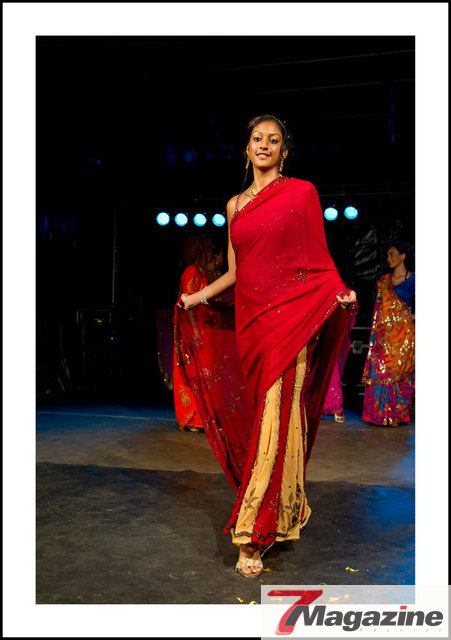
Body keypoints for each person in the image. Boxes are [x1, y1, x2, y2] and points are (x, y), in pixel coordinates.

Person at [177, 114, 357, 578]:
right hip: (252, 324)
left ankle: (253, 530)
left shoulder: (301, 193)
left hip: (290, 321)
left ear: (284, 151)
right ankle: (287, 506)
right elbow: (237, 272)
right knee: (272, 416)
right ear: (247, 148)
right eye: (257, 138)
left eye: (273, 140)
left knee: (277, 414)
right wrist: (198, 297)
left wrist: (337, 289)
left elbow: (316, 256)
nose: (264, 145)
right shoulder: (235, 206)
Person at [361, 243, 415, 427]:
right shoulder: (384, 281)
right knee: (381, 371)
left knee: (400, 374)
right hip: (384, 337)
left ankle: (396, 415)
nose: (389, 259)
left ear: (403, 256)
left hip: (404, 336)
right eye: (388, 256)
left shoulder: (414, 279)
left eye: (392, 255)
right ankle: (380, 415)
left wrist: (414, 315)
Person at [172, 235, 216, 432]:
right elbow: (189, 303)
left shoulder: (201, 271)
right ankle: (193, 419)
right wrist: (196, 334)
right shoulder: (191, 272)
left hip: (202, 329)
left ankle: (203, 418)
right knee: (192, 373)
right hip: (191, 331)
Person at [322, 302, 359, 422]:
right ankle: (312, 407)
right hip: (315, 318)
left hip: (334, 319)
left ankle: (335, 406)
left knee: (332, 366)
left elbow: (352, 304)